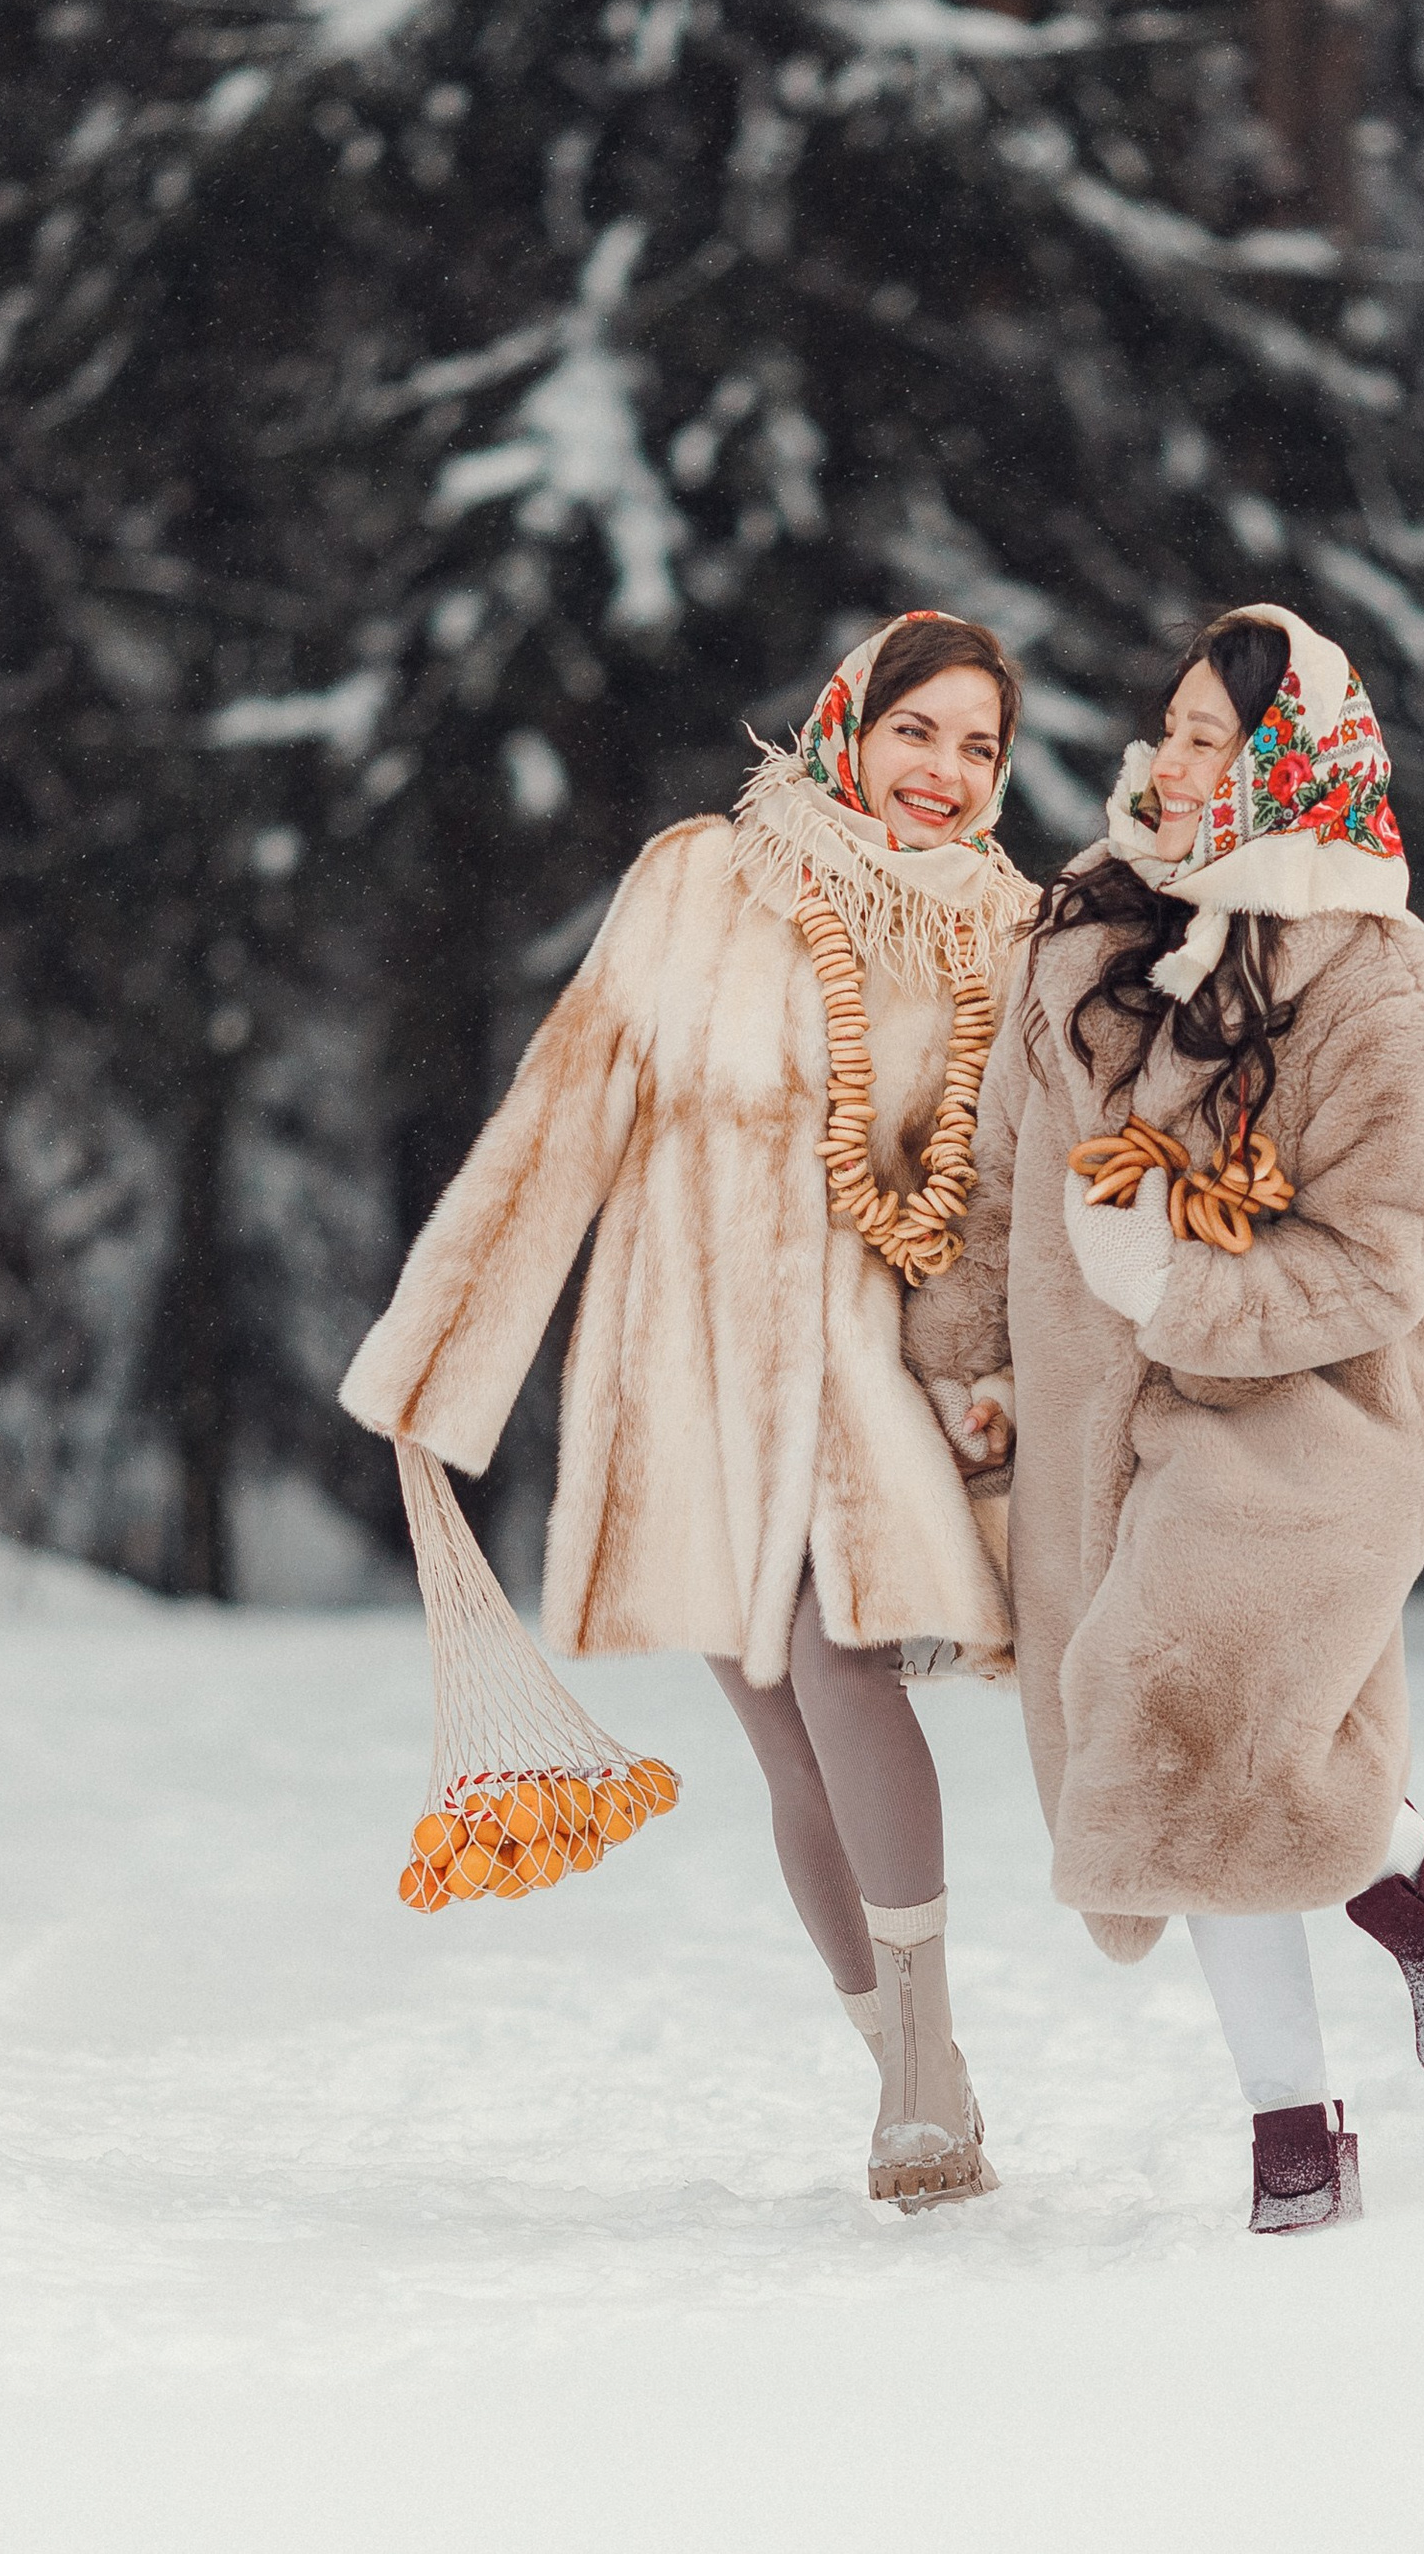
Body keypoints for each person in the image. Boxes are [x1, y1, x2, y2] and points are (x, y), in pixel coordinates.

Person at [340, 612, 1036, 2210]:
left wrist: (996, 1402)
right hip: (692, 1359)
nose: (945, 771)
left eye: (979, 746)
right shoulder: (696, 881)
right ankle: (912, 2087)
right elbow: (562, 1115)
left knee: (831, 1650)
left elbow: (996, 1192)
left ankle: (927, 2066)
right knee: (779, 1726)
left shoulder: (1004, 927)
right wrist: (442, 1353)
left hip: (865, 1356)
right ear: (846, 720)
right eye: (919, 729)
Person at [908, 605, 1424, 2234]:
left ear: (1295, 771)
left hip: (1321, 1409)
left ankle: (1353, 2026)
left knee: (1175, 1696)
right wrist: (958, 1351)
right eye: (1171, 727)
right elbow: (998, 1173)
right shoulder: (1091, 935)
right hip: (1105, 1411)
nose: (1172, 761)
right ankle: (1385, 1972)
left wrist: (1177, 1278)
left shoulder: (1391, 993)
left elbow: (1382, 1270)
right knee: (1155, 1755)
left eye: (1215, 740)